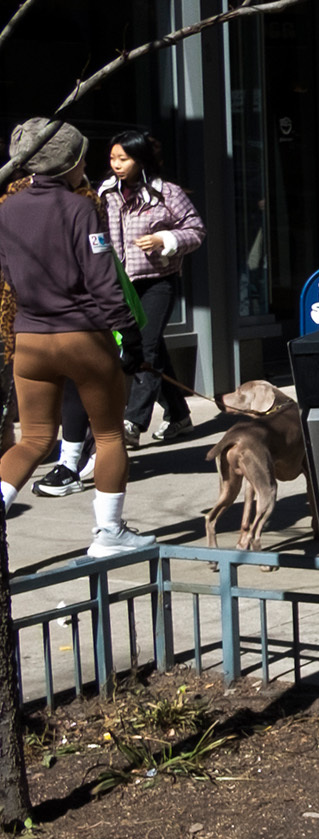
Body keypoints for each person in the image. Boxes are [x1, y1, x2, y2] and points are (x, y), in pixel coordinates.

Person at [0, 118, 153, 557]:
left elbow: (9, 276)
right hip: (82, 337)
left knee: (32, 439)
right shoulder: (80, 208)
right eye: (82, 155)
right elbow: (103, 279)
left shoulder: (5, 209)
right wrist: (129, 334)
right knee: (107, 437)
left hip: (29, 338)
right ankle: (109, 534)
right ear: (69, 162)